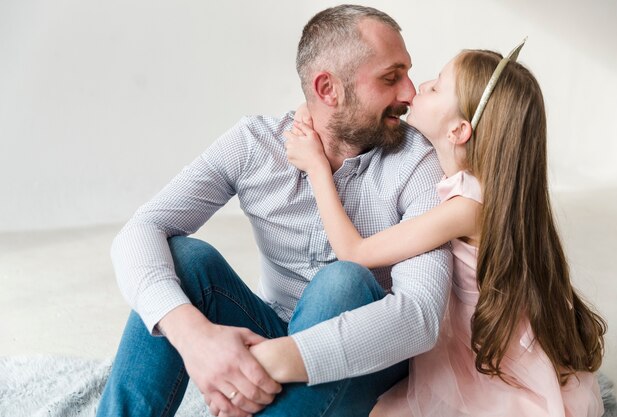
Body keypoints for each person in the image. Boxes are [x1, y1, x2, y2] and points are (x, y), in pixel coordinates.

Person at [97, 5, 452, 417]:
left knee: (344, 283)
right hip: (272, 327)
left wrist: (264, 363)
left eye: (408, 73)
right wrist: (195, 339)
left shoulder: (417, 163)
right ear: (327, 89)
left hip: (366, 356)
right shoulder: (255, 144)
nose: (409, 92)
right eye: (391, 78)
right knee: (184, 259)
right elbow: (141, 229)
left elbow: (419, 316)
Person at [284, 40, 607, 417]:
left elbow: (354, 253)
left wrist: (318, 171)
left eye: (436, 86)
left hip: (477, 362)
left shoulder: (468, 208)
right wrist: (318, 109)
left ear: (458, 131)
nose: (419, 87)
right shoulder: (466, 182)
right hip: (458, 340)